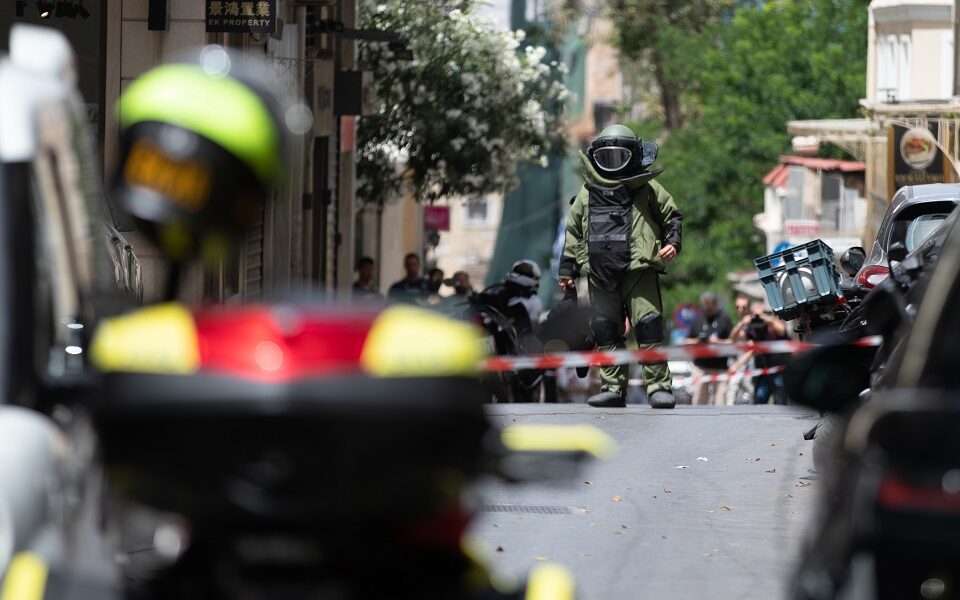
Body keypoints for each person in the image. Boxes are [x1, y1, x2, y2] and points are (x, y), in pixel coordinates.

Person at [559, 124, 683, 409]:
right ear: (595, 157)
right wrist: (567, 270)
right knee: (606, 331)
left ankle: (658, 387)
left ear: (634, 156)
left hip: (639, 269)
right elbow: (573, 232)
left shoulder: (647, 188)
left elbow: (672, 216)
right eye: (607, 157)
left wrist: (673, 242)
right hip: (599, 274)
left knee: (649, 327)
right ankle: (613, 387)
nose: (613, 164)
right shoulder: (588, 193)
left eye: (620, 156)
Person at [731, 299, 789, 405]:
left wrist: (766, 319)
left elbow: (782, 330)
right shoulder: (752, 328)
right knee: (759, 399)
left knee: (781, 402)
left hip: (779, 369)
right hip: (762, 371)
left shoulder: (772, 324)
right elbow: (734, 339)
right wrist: (742, 322)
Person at [685, 291, 733, 405]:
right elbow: (686, 341)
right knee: (699, 399)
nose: (706, 307)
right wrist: (697, 341)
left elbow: (732, 342)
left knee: (720, 400)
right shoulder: (698, 319)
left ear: (715, 303)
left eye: (709, 304)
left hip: (720, 367)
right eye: (704, 304)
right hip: (701, 368)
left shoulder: (724, 319)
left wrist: (718, 342)